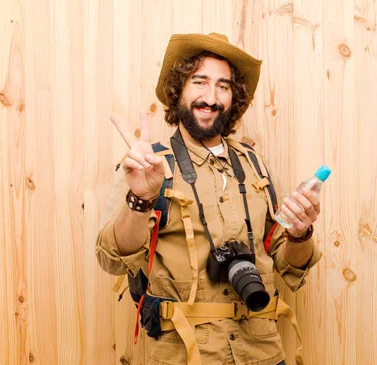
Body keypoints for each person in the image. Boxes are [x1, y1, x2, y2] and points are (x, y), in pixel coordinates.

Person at [95, 33, 323, 365]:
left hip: (264, 352)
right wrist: (141, 197)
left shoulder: (255, 165)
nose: (211, 97)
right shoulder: (149, 166)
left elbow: (290, 267)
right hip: (187, 355)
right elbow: (113, 260)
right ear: (179, 90)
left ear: (234, 97)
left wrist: (301, 233)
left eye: (223, 86)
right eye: (199, 82)